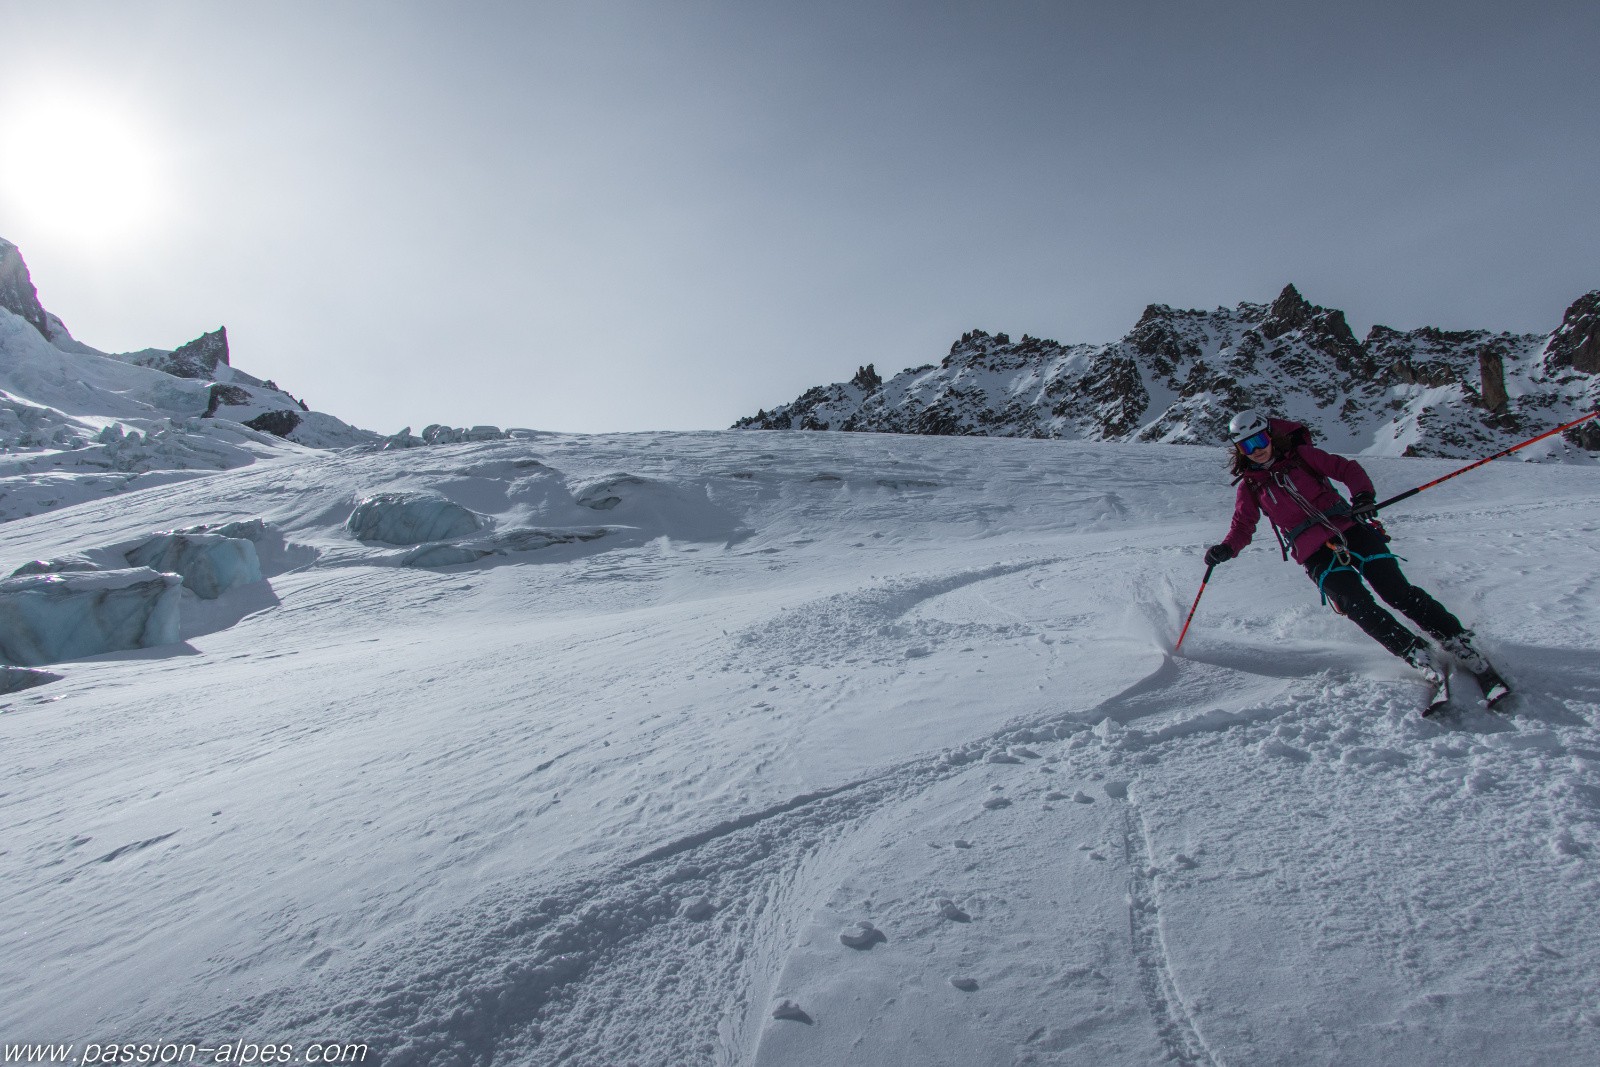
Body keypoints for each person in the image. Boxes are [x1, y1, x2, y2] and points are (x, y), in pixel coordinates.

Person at [1203, 409, 1507, 704]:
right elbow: (1242, 526)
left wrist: (1362, 497)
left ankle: (1459, 642)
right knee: (1356, 605)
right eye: (1246, 445)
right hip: (1313, 553)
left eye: (1259, 441)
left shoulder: (1303, 458)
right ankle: (1416, 653)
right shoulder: (1250, 488)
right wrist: (1227, 548)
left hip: (1351, 529)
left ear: (1270, 436)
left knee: (1396, 591)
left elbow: (1348, 470)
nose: (1255, 450)